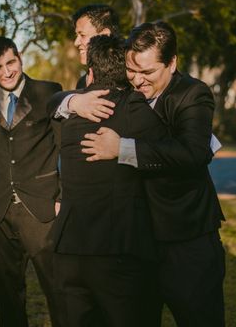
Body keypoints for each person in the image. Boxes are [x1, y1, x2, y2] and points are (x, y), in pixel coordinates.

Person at [80, 22, 226, 326]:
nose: (137, 80)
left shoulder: (193, 94)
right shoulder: (124, 86)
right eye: (132, 70)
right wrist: (71, 100)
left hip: (187, 239)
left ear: (172, 63)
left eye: (147, 73)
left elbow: (193, 153)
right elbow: (65, 96)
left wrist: (122, 148)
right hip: (137, 243)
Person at [49, 35, 166, 327]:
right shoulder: (138, 110)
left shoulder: (71, 116)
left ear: (90, 73)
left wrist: (75, 99)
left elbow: (50, 106)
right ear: (127, 72)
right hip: (118, 247)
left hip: (70, 247)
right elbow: (167, 155)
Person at [0, 36, 62, 327]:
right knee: (8, 296)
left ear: (20, 58)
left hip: (43, 209)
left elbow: (65, 147)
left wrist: (62, 197)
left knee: (58, 291)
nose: (6, 72)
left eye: (10, 63)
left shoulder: (49, 92)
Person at [72, 4, 119, 88]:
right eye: (76, 36)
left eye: (82, 35)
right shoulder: (82, 82)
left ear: (105, 35)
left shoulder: (130, 77)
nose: (76, 43)